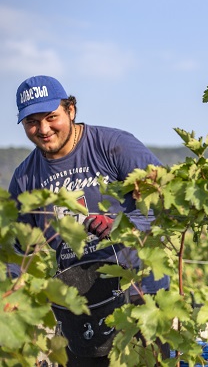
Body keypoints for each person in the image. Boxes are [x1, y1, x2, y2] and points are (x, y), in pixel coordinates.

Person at [9, 75, 170, 366]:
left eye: (51, 117)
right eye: (32, 122)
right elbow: (16, 251)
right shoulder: (24, 178)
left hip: (140, 297)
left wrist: (124, 223)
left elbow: (167, 199)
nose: (43, 129)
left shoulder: (114, 146)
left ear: (71, 110)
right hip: (79, 308)